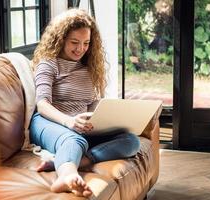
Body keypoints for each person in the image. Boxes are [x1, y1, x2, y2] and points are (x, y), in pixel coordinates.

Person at [29, 8, 140, 197]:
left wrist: (106, 111)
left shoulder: (87, 68)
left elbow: (87, 104)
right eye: (74, 42)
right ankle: (67, 176)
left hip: (78, 126)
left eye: (86, 43)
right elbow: (43, 104)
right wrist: (69, 121)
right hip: (49, 122)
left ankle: (72, 160)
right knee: (75, 139)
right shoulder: (48, 64)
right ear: (61, 39)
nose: (80, 49)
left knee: (131, 141)